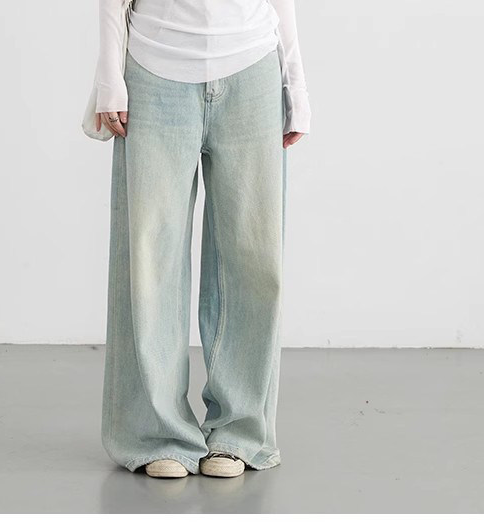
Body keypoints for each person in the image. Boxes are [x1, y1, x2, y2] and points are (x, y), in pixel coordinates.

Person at [91, 0, 311, 479]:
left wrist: (295, 83)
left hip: (253, 65)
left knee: (254, 260)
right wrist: (109, 75)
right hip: (154, 68)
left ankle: (240, 432)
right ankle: (156, 434)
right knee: (149, 257)